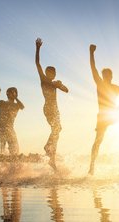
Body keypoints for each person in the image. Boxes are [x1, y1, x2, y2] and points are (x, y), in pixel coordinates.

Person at [88, 44, 119, 175]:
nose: (106, 77)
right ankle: (91, 167)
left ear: (111, 76)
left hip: (114, 114)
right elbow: (93, 68)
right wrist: (91, 53)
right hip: (103, 117)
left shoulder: (118, 88)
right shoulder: (99, 83)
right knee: (98, 141)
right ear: (102, 76)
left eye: (108, 75)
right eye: (104, 75)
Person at [35, 38, 69, 171]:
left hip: (55, 109)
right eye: (48, 72)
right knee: (56, 130)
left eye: (52, 73)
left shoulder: (55, 83)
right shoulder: (43, 79)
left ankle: (52, 160)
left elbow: (66, 90)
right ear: (46, 73)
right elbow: (37, 63)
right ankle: (47, 149)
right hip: (48, 108)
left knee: (57, 131)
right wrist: (38, 48)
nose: (50, 74)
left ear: (54, 74)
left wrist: (61, 85)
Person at [0, 87, 24, 156]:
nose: (12, 94)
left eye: (14, 93)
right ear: (7, 94)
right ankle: (3, 156)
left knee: (15, 150)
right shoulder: (2, 102)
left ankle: (10, 165)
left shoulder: (17, 105)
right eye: (11, 93)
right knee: (3, 147)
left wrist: (16, 98)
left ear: (16, 94)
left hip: (10, 129)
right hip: (1, 128)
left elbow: (22, 107)